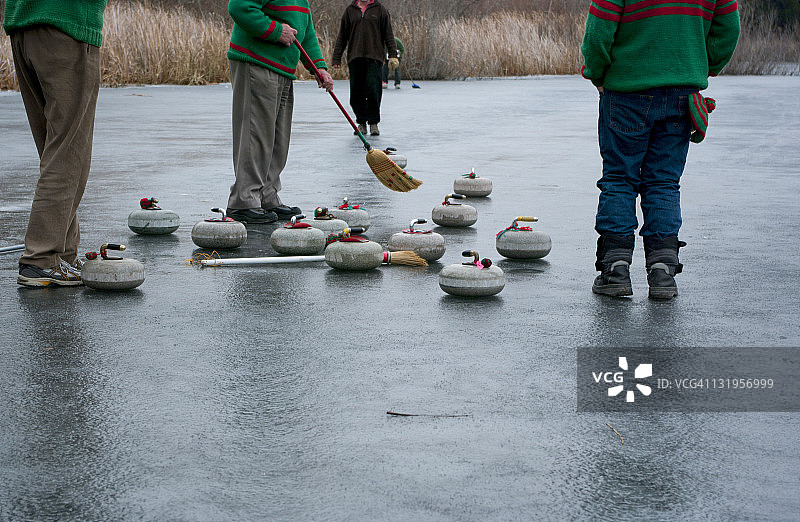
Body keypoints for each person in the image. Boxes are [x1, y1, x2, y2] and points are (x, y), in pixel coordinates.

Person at [581, 0, 740, 299]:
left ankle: (615, 269)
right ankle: (663, 273)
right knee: (664, 182)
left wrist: (597, 74)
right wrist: (698, 66)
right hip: (682, 92)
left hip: (626, 91)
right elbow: (729, 29)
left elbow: (599, 30)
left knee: (619, 178)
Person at [4, 0, 108, 287]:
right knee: (69, 153)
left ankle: (62, 254)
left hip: (24, 23)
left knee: (55, 150)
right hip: (67, 24)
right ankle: (41, 259)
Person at [226, 0, 334, 224]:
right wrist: (276, 31)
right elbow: (239, 7)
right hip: (256, 62)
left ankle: (267, 194)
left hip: (283, 69)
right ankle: (243, 201)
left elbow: (306, 32)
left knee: (278, 137)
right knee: (256, 134)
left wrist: (318, 67)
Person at [332, 0, 398, 137]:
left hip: (374, 57)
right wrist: (336, 57)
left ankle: (373, 123)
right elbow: (342, 36)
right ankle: (361, 122)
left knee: (373, 91)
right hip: (355, 57)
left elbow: (389, 34)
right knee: (356, 93)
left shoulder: (380, 10)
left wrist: (393, 55)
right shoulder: (350, 10)